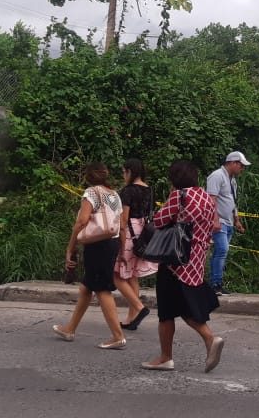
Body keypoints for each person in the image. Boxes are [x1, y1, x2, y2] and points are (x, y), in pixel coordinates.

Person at [142, 159, 226, 373]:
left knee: (168, 312)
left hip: (175, 261)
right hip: (196, 260)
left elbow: (159, 220)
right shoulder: (206, 197)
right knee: (185, 305)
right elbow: (214, 224)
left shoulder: (180, 196)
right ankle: (201, 343)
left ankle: (171, 355)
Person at [52, 162, 128, 349]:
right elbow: (122, 224)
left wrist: (70, 246)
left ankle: (118, 336)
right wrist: (122, 249)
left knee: (102, 289)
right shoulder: (114, 195)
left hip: (97, 245)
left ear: (89, 176)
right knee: (87, 288)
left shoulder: (91, 193)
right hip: (111, 243)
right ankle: (69, 329)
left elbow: (81, 222)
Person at [116, 157, 159, 331]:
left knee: (118, 275)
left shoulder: (128, 191)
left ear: (129, 171)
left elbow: (124, 219)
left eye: (124, 172)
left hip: (129, 233)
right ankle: (131, 318)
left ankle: (139, 308)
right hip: (143, 232)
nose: (123, 175)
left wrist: (119, 241)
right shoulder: (149, 189)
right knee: (132, 275)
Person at [206, 151, 250, 295]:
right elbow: (212, 199)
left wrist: (236, 220)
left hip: (229, 221)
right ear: (232, 163)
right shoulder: (217, 176)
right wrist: (215, 220)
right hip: (220, 221)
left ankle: (216, 283)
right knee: (222, 250)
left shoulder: (232, 180)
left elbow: (232, 201)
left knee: (220, 252)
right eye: (240, 165)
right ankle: (215, 284)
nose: (241, 169)